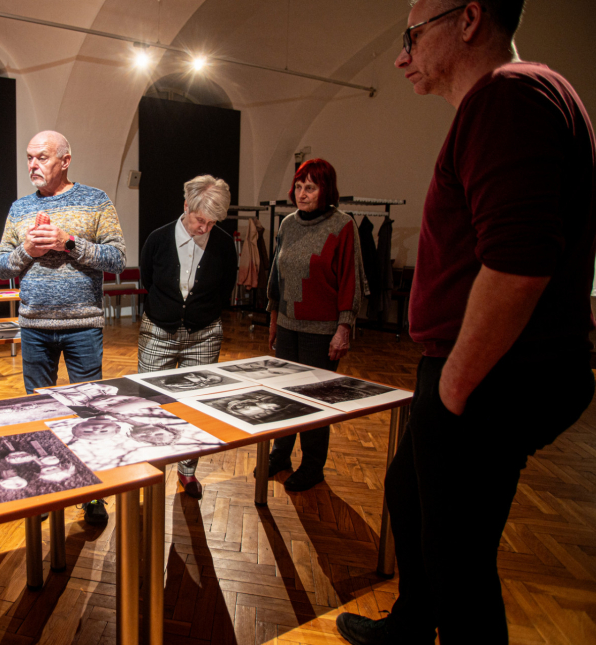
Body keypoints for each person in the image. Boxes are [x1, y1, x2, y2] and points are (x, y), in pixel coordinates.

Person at [336, 2, 596, 644]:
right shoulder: (522, 96)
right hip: (487, 370)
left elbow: (518, 264)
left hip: (491, 375)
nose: (401, 56)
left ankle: (430, 619)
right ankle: (410, 622)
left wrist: (453, 388)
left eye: (412, 36)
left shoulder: (508, 96)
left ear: (470, 18)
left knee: (461, 565)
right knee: (409, 494)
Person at [0, 130, 126, 525]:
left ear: (66, 160)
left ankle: (91, 494)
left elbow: (117, 259)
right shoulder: (19, 208)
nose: (33, 165)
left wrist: (69, 242)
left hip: (82, 325)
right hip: (34, 326)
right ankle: (45, 490)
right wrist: (27, 251)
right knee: (38, 411)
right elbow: (1, 267)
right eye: (29, 157)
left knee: (88, 412)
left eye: (42, 157)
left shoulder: (95, 200)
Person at [263, 158, 364, 492]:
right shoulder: (288, 224)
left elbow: (351, 280)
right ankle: (280, 454)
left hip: (322, 331)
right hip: (289, 325)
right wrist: (274, 319)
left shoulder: (342, 225)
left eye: (311, 187)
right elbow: (276, 277)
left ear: (326, 190)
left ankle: (313, 466)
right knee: (283, 396)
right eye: (299, 186)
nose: (302, 193)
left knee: (314, 401)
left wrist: (344, 327)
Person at [138, 174, 238, 499]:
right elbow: (147, 278)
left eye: (211, 222)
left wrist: (200, 313)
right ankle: (150, 469)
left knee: (195, 405)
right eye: (199, 220)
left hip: (204, 333)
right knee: (151, 403)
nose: (204, 228)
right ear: (186, 206)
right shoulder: (157, 238)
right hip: (158, 329)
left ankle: (187, 472)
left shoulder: (222, 244)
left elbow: (226, 287)